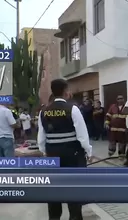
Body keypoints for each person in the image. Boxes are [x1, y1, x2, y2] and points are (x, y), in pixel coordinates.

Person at [37, 78, 92, 220]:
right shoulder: (72, 109)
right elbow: (82, 135)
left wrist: (45, 153)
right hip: (72, 156)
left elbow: (41, 138)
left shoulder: (44, 111)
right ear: (65, 91)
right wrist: (89, 151)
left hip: (52, 157)